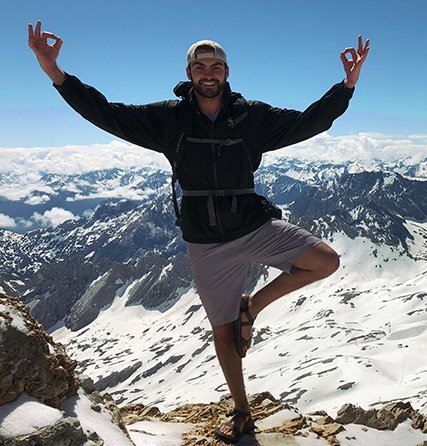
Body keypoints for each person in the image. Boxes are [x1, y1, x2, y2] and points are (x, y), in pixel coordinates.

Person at [28, 21, 369, 444]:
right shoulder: (168, 119)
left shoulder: (252, 116)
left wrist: (346, 87)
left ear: (227, 73)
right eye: (201, 66)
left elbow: (309, 123)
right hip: (206, 243)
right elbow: (107, 114)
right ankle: (242, 410)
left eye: (217, 66)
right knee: (223, 333)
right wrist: (56, 74)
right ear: (190, 73)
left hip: (254, 224)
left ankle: (253, 306)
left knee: (325, 261)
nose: (209, 73)